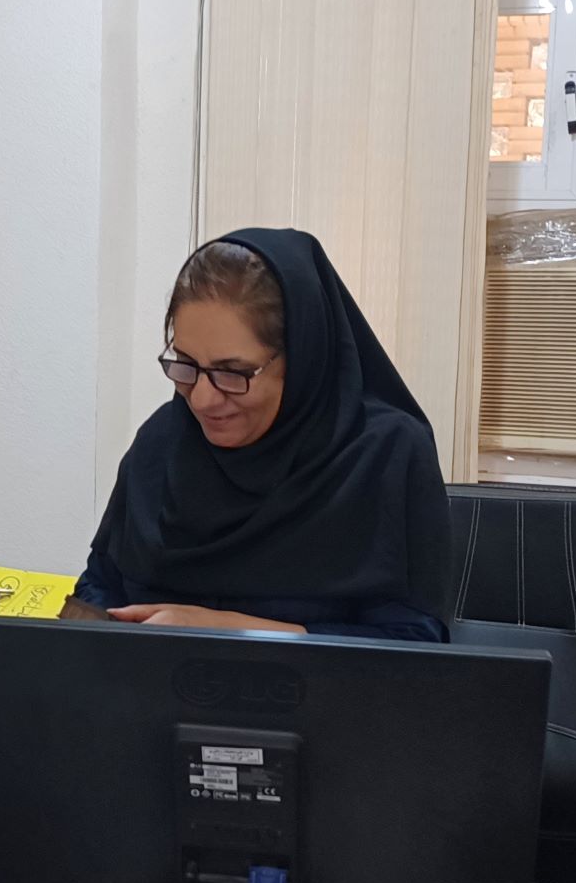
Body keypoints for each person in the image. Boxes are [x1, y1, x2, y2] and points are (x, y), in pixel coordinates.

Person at [75, 228, 453, 641]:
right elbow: (98, 589)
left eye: (232, 372)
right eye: (186, 364)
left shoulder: (386, 455)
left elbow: (412, 647)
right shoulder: (163, 441)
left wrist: (225, 629)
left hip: (316, 686)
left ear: (302, 358)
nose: (201, 399)